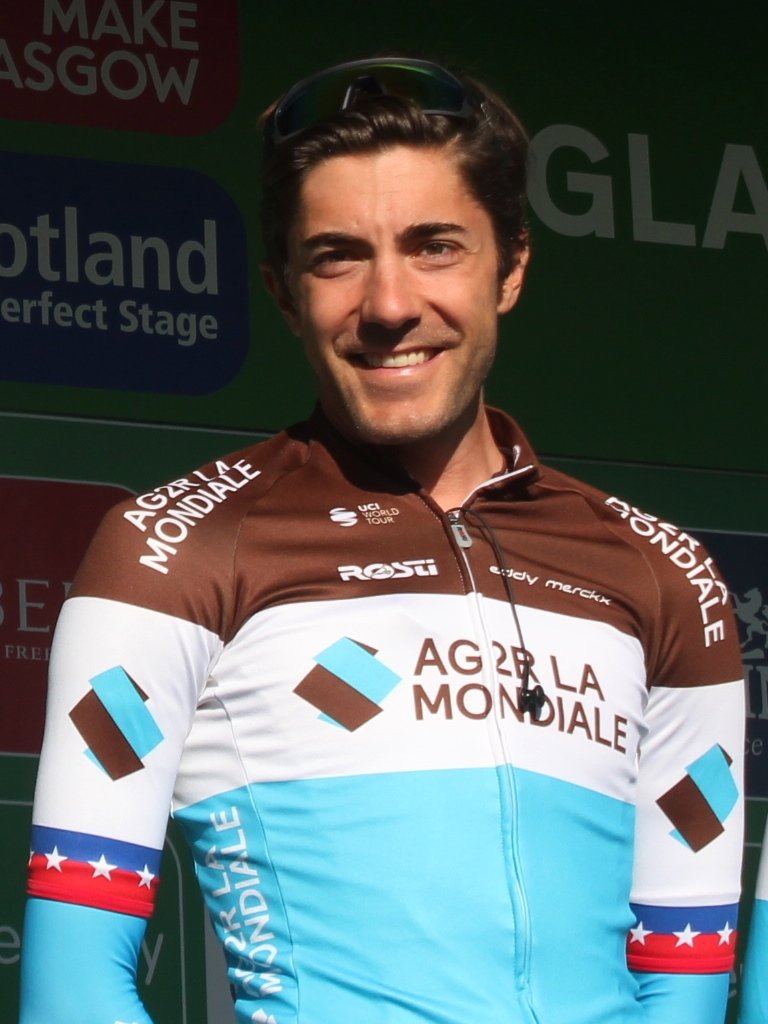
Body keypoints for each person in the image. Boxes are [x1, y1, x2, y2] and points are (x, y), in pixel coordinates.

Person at [20, 56, 745, 1023]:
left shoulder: (666, 572)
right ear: (284, 292)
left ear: (512, 268)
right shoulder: (171, 550)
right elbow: (71, 992)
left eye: (434, 246)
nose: (391, 304)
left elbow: (687, 987)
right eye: (338, 257)